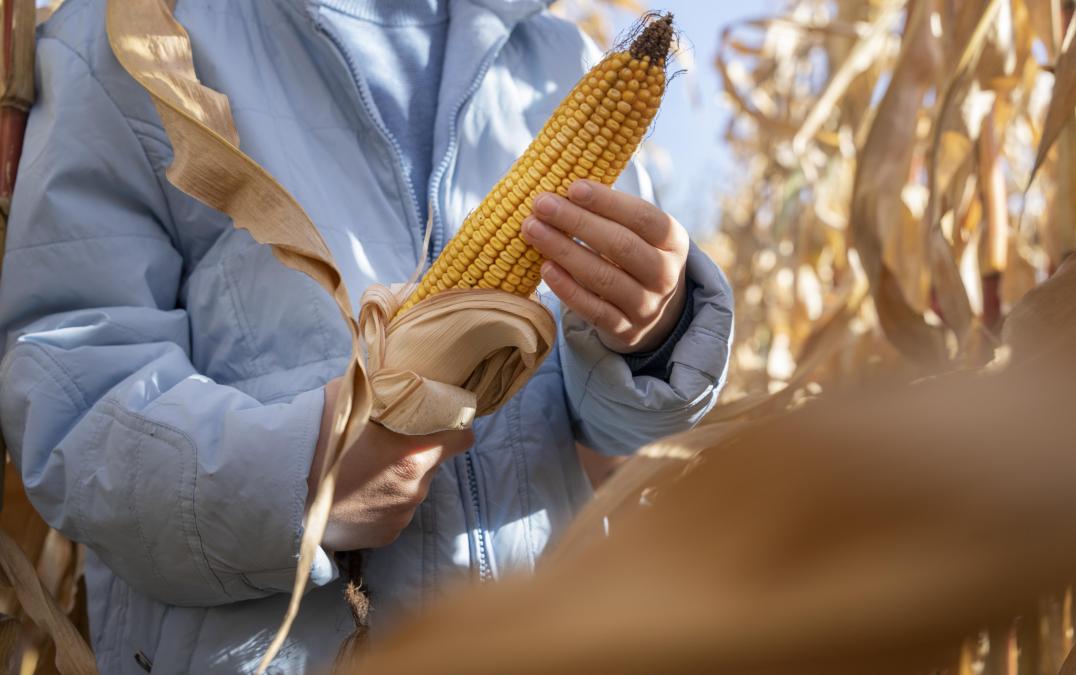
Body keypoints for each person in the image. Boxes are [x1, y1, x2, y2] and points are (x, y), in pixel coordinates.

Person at [0, 0, 733, 672]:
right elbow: (70, 391)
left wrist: (651, 335)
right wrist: (302, 477)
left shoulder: (557, 62)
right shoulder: (128, 43)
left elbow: (609, 434)